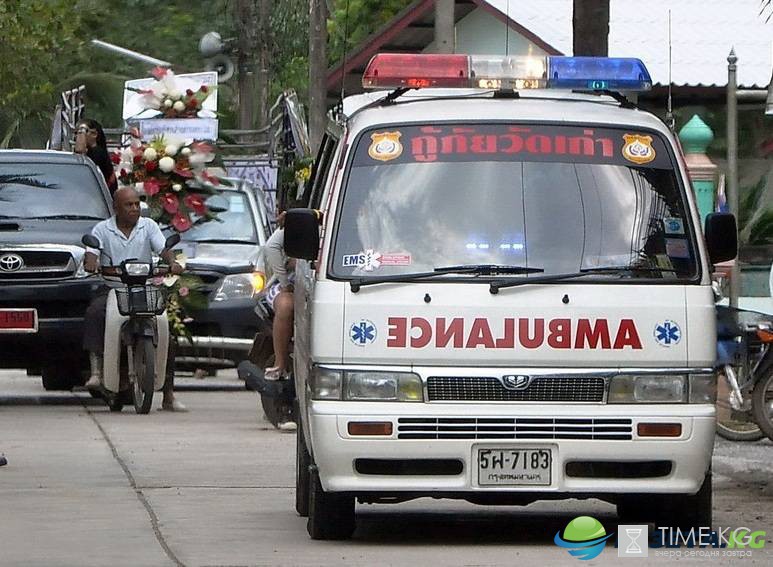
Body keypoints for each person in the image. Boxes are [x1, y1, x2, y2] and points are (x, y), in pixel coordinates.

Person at [83, 187, 185, 411]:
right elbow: (92, 253)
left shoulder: (148, 226)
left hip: (144, 288)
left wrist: (172, 262)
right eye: (129, 205)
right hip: (113, 288)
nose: (134, 209)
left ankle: (168, 394)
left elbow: (163, 248)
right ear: (115, 208)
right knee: (95, 312)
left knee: (165, 328)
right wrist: (91, 262)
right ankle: (97, 372)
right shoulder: (102, 229)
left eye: (137, 204)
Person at [74, 118, 118, 195]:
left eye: (83, 131)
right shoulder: (93, 152)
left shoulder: (98, 154)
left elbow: (79, 152)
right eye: (77, 132)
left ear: (94, 134)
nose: (79, 136)